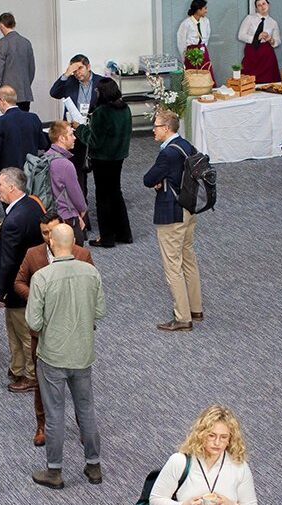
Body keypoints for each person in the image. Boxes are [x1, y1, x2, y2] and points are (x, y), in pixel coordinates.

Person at [26, 224, 106, 490]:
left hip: (52, 356)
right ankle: (93, 465)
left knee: (55, 414)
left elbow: (33, 322)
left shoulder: (42, 277)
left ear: (51, 243)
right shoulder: (91, 272)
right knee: (86, 409)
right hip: (83, 353)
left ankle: (55, 470)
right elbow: (100, 312)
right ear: (73, 244)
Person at [15, 211, 95, 445]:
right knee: (42, 383)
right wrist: (38, 298)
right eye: (45, 233)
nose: (49, 238)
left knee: (80, 385)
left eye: (53, 232)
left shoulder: (82, 255)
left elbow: (92, 289)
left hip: (75, 331)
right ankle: (41, 425)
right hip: (43, 332)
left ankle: (85, 427)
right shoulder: (33, 254)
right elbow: (18, 282)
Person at [144, 110, 203, 332]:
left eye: (156, 126)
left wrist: (160, 182)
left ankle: (182, 317)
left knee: (172, 265)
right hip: (189, 209)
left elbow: (148, 179)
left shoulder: (167, 153)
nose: (153, 130)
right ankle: (196, 308)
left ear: (166, 128)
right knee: (188, 258)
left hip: (172, 213)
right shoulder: (186, 145)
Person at [0, 167, 46, 394]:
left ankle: (31, 375)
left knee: (22, 333)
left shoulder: (14, 219)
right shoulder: (31, 205)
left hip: (17, 287)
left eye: (0, 185)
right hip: (32, 281)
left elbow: (9, 261)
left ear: (12, 187)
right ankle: (17, 367)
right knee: (16, 330)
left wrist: (0, 291)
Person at [74, 80, 132, 247]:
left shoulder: (102, 112)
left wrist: (80, 128)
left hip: (103, 159)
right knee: (116, 194)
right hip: (119, 156)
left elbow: (93, 141)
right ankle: (124, 233)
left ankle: (106, 238)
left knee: (103, 198)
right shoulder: (125, 108)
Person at [49, 54, 113, 198]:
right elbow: (54, 93)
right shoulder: (69, 81)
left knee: (99, 169)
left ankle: (103, 200)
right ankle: (80, 199)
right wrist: (66, 74)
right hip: (74, 130)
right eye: (74, 70)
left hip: (94, 130)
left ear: (88, 67)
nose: (77, 73)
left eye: (80, 68)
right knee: (77, 169)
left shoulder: (101, 82)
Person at [0, 85, 48, 174]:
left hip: (10, 173)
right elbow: (43, 144)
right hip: (31, 169)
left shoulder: (0, 122)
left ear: (2, 101)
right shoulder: (33, 118)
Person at [45, 121, 89, 242]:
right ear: (62, 138)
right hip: (67, 217)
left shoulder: (46, 157)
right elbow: (76, 195)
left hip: (49, 215)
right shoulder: (65, 164)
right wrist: (82, 210)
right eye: (71, 134)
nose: (75, 138)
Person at [0, 13, 36, 112]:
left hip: (8, 94)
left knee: (10, 123)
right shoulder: (26, 42)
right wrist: (25, 85)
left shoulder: (1, 43)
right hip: (24, 92)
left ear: (1, 25)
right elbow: (31, 69)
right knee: (23, 122)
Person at [237, 0, 282, 84]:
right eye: (259, 5)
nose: (262, 6)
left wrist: (270, 39)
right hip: (252, 52)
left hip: (267, 56)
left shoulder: (273, 22)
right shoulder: (249, 18)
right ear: (256, 8)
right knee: (248, 81)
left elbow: (277, 41)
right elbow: (241, 35)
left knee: (269, 82)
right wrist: (256, 38)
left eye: (264, 4)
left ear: (268, 5)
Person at [177, 1, 214, 81]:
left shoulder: (206, 21)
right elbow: (181, 41)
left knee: (206, 71)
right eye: (205, 8)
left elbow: (207, 36)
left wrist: (202, 47)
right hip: (191, 52)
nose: (206, 11)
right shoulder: (186, 23)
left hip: (203, 50)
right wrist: (185, 57)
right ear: (198, 10)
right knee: (192, 75)